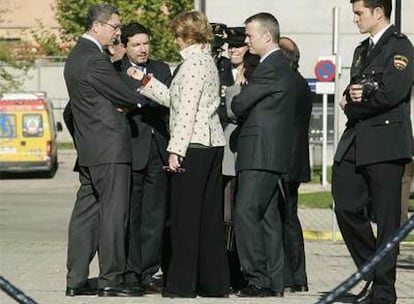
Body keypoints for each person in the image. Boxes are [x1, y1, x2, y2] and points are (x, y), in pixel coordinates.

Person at [128, 11, 229, 298]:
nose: (174, 41)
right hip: (211, 144)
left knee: (184, 218)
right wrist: (146, 82)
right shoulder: (206, 61)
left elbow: (186, 111)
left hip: (194, 146)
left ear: (185, 35)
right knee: (209, 217)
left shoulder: (193, 64)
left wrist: (175, 150)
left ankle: (182, 284)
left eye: (176, 35)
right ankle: (213, 282)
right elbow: (177, 98)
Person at [331, 1, 413, 303]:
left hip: (385, 143)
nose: (355, 19)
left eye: (359, 13)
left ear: (378, 12)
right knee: (345, 205)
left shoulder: (400, 47)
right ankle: (372, 272)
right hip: (356, 140)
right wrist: (354, 96)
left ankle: (383, 293)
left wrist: (358, 97)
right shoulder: (361, 51)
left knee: (387, 219)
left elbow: (392, 92)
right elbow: (351, 93)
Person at [64, 3, 146, 297]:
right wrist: (138, 98)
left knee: (86, 214)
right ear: (97, 26)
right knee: (114, 214)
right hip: (110, 150)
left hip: (90, 150)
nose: (118, 33)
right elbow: (127, 94)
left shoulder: (76, 57)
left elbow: (70, 112)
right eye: (115, 27)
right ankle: (112, 278)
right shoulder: (94, 59)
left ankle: (75, 280)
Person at [230, 12, 297, 297]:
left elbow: (240, 102)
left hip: (260, 153)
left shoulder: (269, 67)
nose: (246, 41)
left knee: (245, 213)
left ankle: (257, 278)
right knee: (268, 218)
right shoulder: (279, 65)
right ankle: (274, 280)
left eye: (249, 35)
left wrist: (235, 96)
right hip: (269, 154)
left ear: (266, 37)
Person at [118, 22, 172, 293]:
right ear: (125, 46)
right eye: (136, 44)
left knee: (155, 215)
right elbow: (123, 100)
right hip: (131, 148)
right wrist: (140, 98)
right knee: (132, 215)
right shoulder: (116, 70)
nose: (142, 49)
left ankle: (150, 272)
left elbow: (167, 100)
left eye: (146, 43)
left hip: (158, 149)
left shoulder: (161, 69)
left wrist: (139, 99)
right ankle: (130, 271)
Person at [222, 26, 258, 293]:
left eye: (239, 45)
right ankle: (228, 268)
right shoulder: (219, 69)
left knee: (239, 213)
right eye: (230, 46)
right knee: (225, 214)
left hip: (243, 149)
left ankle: (241, 271)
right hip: (223, 150)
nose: (233, 50)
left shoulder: (255, 72)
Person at [279, 36, 312, 293]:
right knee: (289, 217)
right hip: (294, 159)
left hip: (285, 160)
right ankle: (295, 277)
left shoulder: (289, 83)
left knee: (287, 218)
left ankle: (292, 276)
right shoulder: (299, 83)